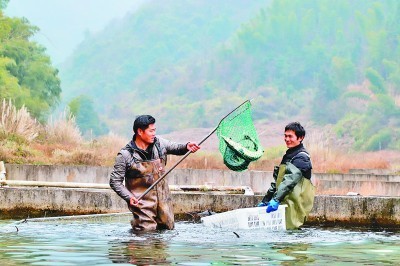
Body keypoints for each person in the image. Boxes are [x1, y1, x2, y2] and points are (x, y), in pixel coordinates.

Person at [109, 115, 200, 231]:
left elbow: (177, 148)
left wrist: (187, 146)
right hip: (142, 206)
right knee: (145, 237)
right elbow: (114, 181)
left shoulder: (160, 144)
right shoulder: (125, 155)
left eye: (154, 131)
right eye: (151, 131)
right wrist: (129, 197)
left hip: (164, 204)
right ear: (140, 132)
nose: (154, 134)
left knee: (166, 236)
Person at [257, 122, 315, 229]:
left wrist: (276, 200)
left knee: (292, 233)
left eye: (290, 136)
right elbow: (278, 182)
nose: (287, 139)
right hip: (284, 202)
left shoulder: (302, 157)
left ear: (300, 138)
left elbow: (289, 181)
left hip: (295, 205)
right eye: (285, 136)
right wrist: (266, 200)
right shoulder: (288, 156)